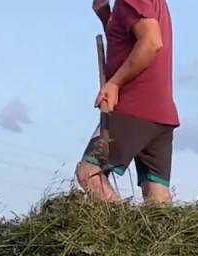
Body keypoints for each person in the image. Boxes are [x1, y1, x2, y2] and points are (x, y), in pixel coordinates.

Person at [78, 0, 178, 204]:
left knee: (89, 172)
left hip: (134, 106)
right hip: (160, 111)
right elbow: (126, 43)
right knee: (157, 196)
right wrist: (106, 15)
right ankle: (161, 235)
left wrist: (114, 83)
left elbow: (151, 43)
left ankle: (121, 229)